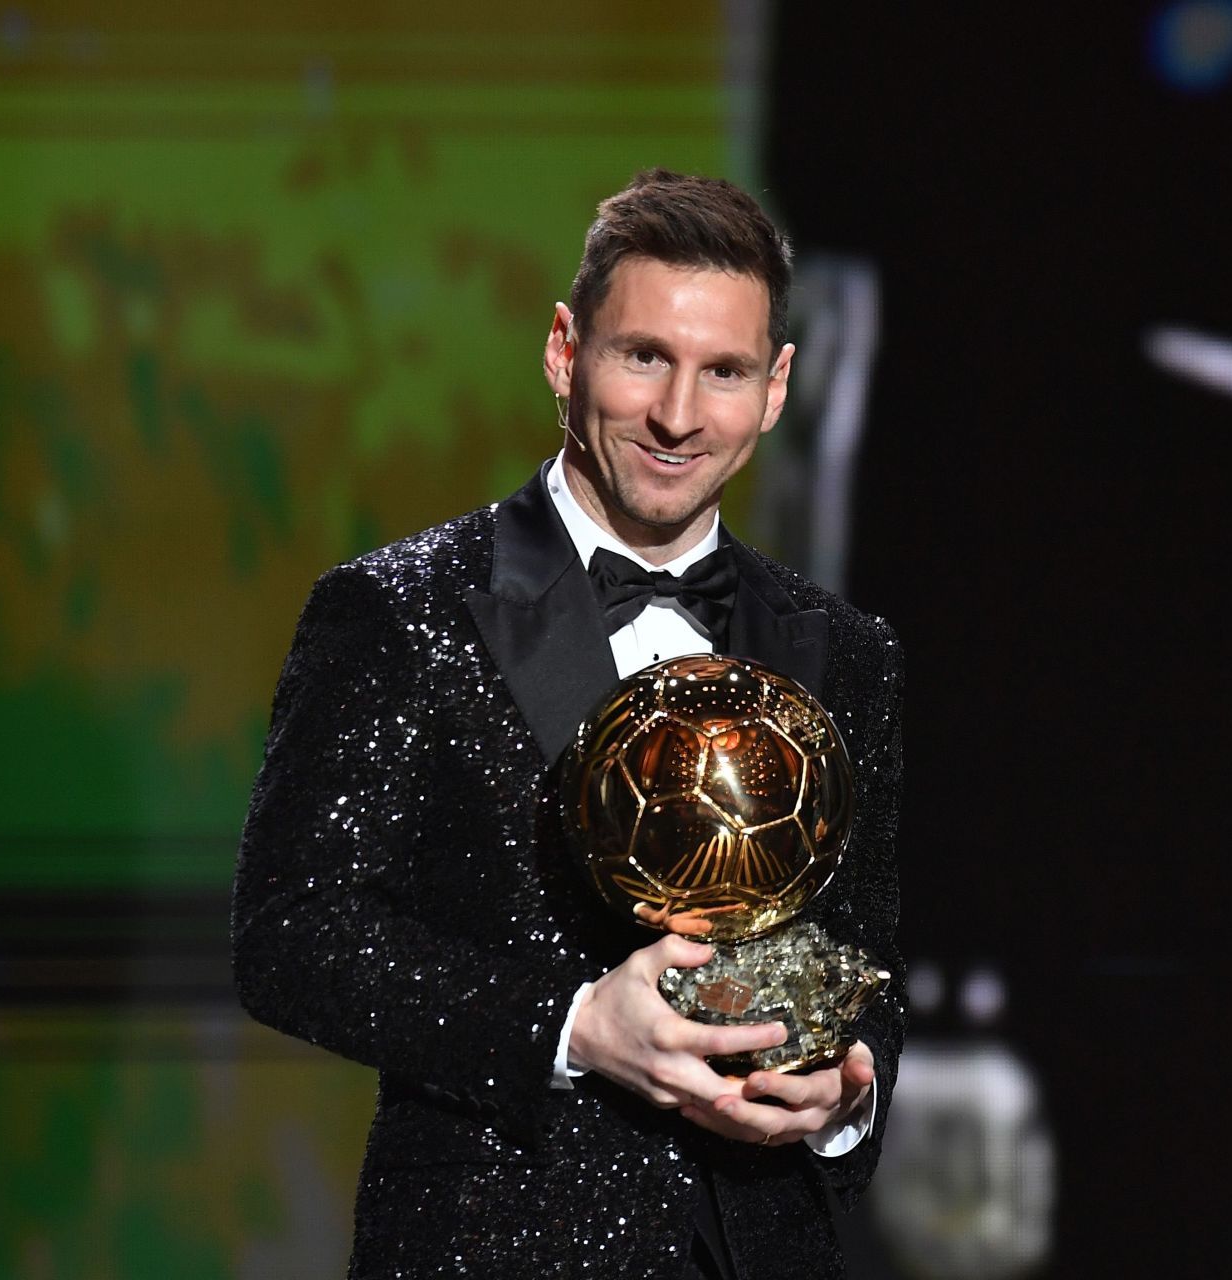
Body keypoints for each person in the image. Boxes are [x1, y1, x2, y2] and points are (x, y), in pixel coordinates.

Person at [233, 168, 905, 1278]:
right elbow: (292, 935)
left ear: (777, 386)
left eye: (723, 371)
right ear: (564, 349)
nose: (679, 416)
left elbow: (870, 961)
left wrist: (840, 1091)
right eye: (645, 356)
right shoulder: (397, 610)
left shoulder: (847, 651)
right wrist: (576, 1022)